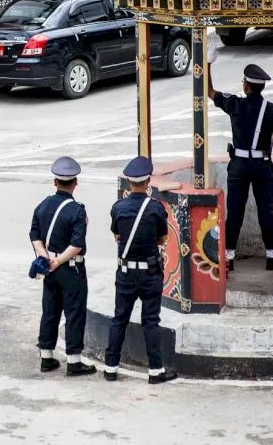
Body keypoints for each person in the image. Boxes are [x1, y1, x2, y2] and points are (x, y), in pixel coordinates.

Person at [103, 156, 178, 384]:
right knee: (151, 321)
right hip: (149, 273)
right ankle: (155, 371)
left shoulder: (118, 208)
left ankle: (110, 367)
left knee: (119, 319)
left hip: (125, 273)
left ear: (129, 181)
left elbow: (117, 235)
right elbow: (162, 238)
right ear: (147, 182)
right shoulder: (155, 208)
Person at [208, 64, 273, 272]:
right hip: (262, 165)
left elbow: (209, 91)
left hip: (239, 166)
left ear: (246, 86)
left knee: (234, 212)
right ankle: (272, 257)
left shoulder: (235, 104)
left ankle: (228, 258)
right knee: (267, 211)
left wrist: (207, 64)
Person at [29, 156, 96, 376]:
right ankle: (74, 361)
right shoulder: (77, 210)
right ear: (75, 183)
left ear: (54, 182)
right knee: (74, 312)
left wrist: (46, 258)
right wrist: (58, 260)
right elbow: (77, 245)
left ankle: (46, 357)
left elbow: (35, 235)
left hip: (49, 268)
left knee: (50, 309)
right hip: (70, 268)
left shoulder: (43, 205)